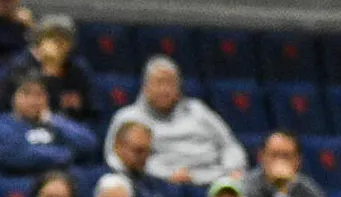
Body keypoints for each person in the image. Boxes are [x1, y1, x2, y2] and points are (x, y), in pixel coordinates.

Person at [103, 57, 246, 186]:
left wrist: (232, 169)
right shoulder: (128, 117)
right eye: (159, 82)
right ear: (145, 87)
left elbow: (230, 144)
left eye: (170, 83)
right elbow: (114, 158)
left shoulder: (198, 110)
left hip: (215, 180)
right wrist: (165, 175)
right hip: (162, 185)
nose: (164, 90)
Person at [0, 74, 98, 175]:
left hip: (59, 179)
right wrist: (64, 154)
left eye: (40, 94)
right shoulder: (2, 124)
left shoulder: (56, 122)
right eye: (26, 93)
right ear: (13, 97)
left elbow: (89, 143)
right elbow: (17, 156)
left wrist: (55, 122)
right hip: (20, 181)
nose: (34, 100)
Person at [3, 13, 95, 122]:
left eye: (64, 37)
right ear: (38, 41)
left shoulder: (78, 69)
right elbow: (8, 109)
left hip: (69, 130)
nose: (58, 42)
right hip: (24, 126)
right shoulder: (21, 67)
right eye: (51, 36)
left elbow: (93, 110)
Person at [109, 120, 190, 197]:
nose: (144, 158)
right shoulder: (105, 182)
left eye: (148, 152)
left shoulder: (152, 180)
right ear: (118, 146)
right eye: (138, 151)